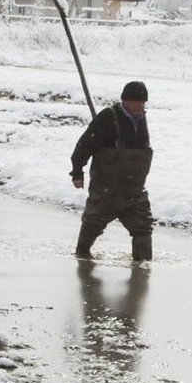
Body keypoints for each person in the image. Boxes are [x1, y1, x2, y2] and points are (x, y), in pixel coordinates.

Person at [70, 81, 154, 261]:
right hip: (106, 190)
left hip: (134, 190)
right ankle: (82, 258)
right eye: (136, 102)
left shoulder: (141, 119)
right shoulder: (108, 117)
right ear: (125, 100)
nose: (140, 106)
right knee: (92, 224)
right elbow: (84, 146)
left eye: (143, 102)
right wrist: (77, 171)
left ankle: (142, 269)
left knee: (143, 228)